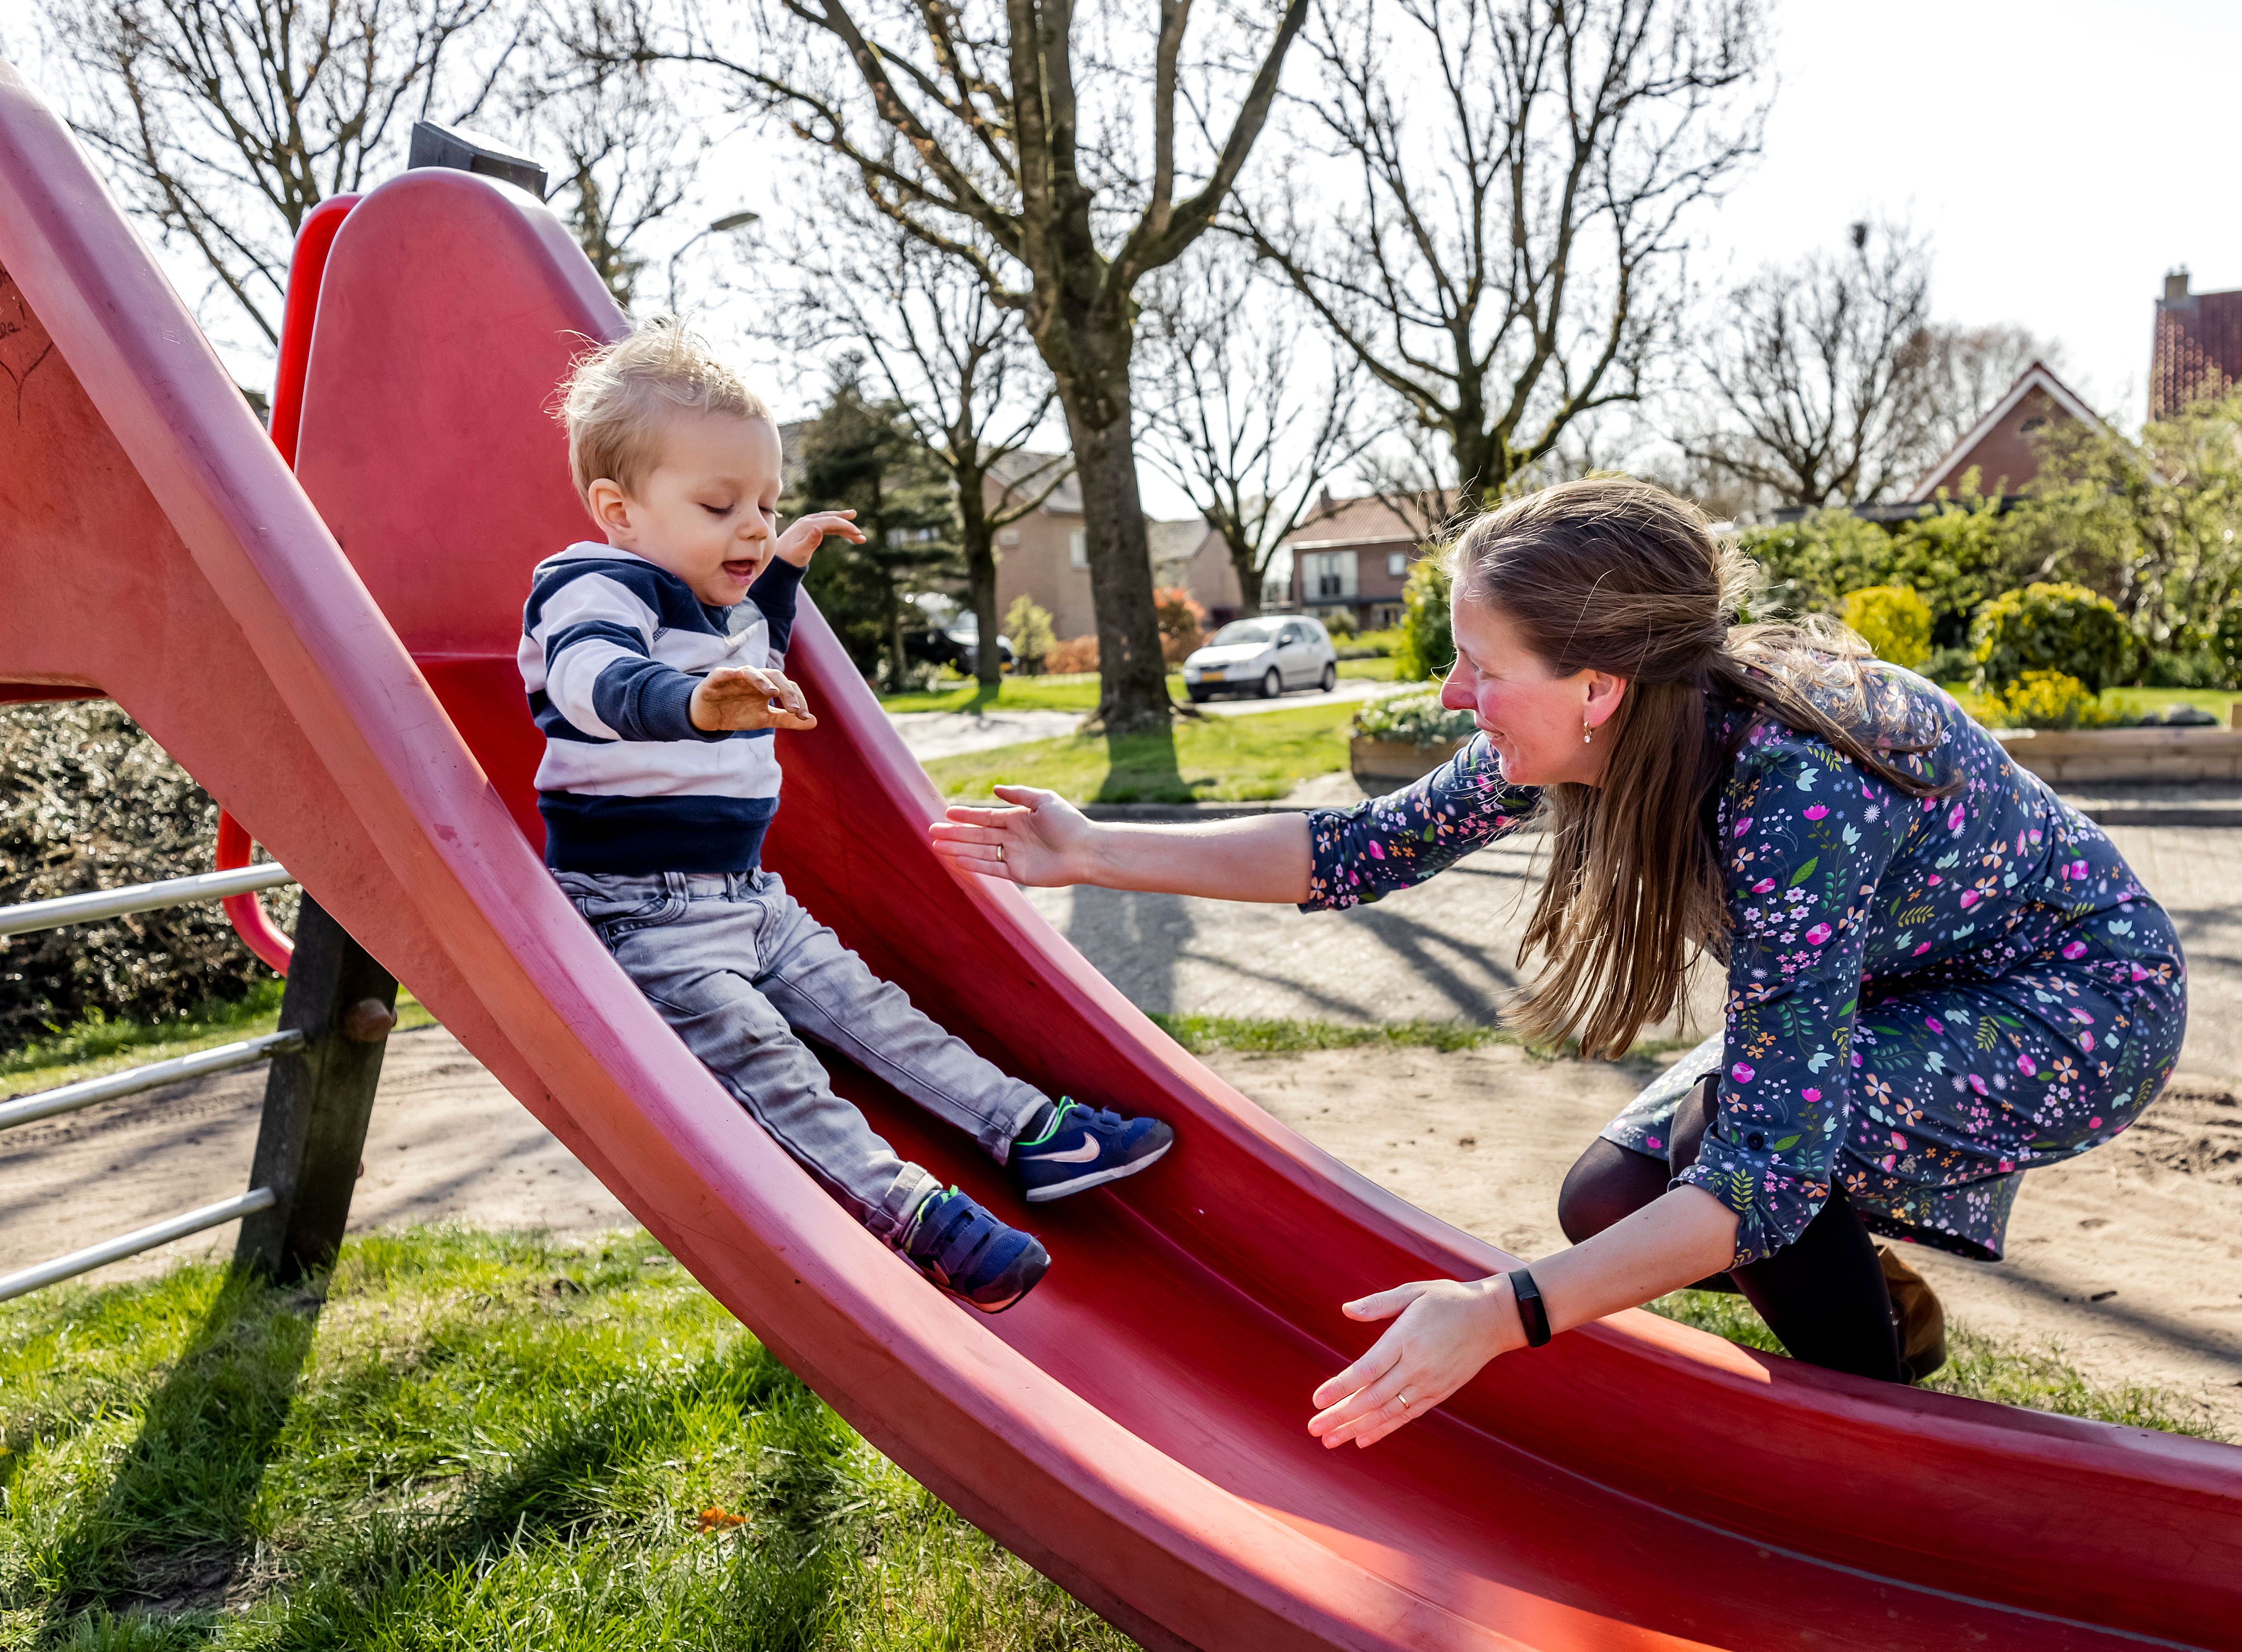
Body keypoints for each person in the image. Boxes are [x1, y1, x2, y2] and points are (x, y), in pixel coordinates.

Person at [931, 475, 2184, 1436]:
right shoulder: (1617, 717)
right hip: (1902, 984)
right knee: (1613, 1201)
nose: (1449, 696)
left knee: (1740, 1175)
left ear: (1596, 686)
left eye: (1479, 666)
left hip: (2073, 1007)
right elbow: (1360, 850)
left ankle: (1879, 1431)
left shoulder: (1793, 788)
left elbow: (1759, 1175)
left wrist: (1500, 1314)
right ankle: (1883, 1313)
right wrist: (1093, 849)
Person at [524, 323, 1173, 1313]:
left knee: (878, 1012)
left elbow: (757, 636)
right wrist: (692, 703)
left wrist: (781, 565)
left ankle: (1038, 1134)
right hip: (638, 913)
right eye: (719, 505)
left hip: (749, 895)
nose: (749, 524)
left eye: (766, 502)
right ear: (618, 510)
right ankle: (912, 1216)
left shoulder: (715, 594)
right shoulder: (590, 585)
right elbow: (589, 681)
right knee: (765, 1061)